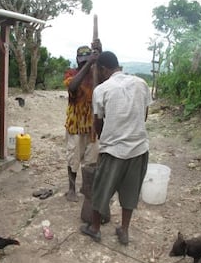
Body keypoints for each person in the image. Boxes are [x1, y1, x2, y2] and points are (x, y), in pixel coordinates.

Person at [80, 51, 152, 245]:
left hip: (114, 150)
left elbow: (98, 122)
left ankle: (95, 228)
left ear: (103, 69)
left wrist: (107, 139)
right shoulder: (141, 83)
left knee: (101, 189)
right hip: (139, 148)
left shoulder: (102, 90)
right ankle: (124, 230)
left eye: (99, 70)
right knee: (130, 191)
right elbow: (144, 115)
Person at [63, 41, 101, 202]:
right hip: (75, 124)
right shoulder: (71, 74)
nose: (85, 60)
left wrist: (100, 52)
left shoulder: (95, 74)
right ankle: (71, 189)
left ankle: (87, 187)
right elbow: (72, 87)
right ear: (77, 59)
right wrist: (89, 64)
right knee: (73, 158)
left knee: (92, 159)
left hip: (92, 124)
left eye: (88, 57)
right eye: (82, 58)